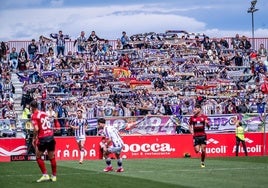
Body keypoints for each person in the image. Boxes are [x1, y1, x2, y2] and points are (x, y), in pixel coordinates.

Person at [30, 100, 57, 182]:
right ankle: (54, 176)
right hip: (51, 136)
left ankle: (45, 175)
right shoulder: (44, 113)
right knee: (52, 157)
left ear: (32, 107)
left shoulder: (34, 115)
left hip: (43, 138)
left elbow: (36, 129)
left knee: (38, 156)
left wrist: (34, 138)